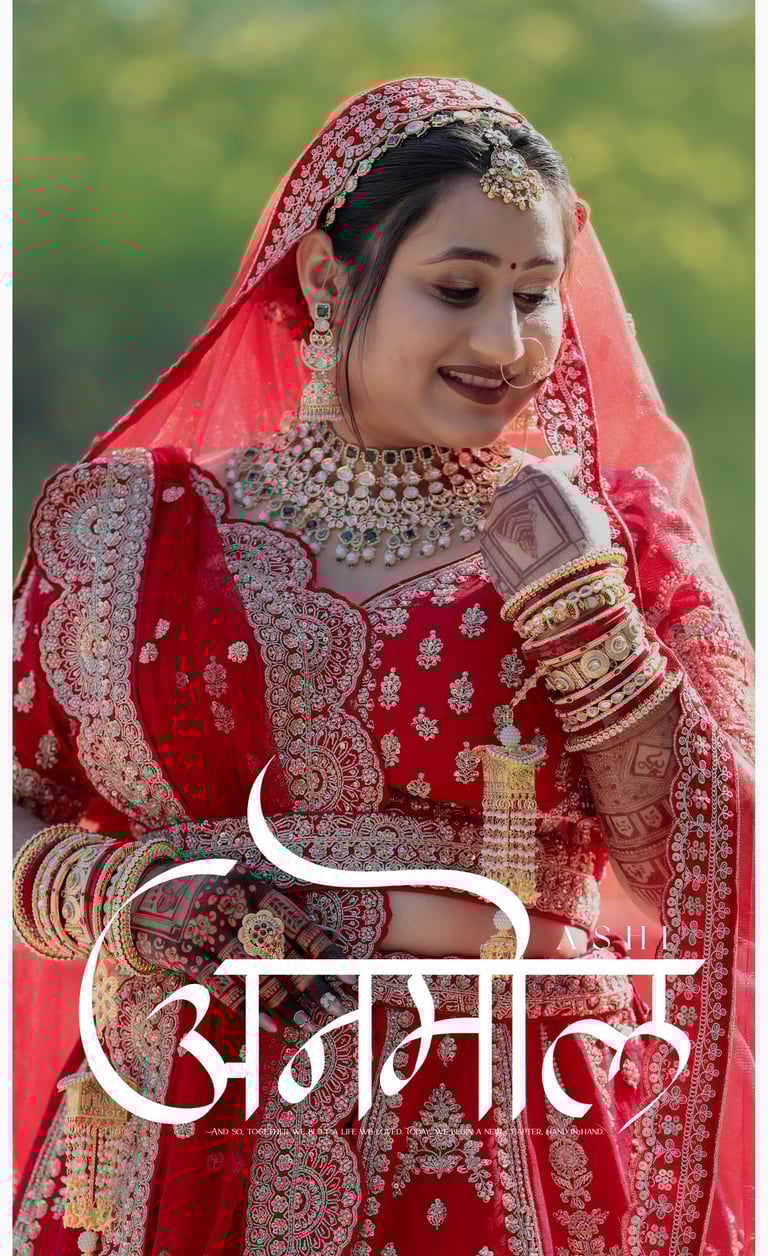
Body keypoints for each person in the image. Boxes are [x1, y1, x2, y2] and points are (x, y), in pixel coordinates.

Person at [12, 76, 754, 1256]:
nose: (504, 344)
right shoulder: (133, 537)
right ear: (326, 281)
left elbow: (720, 874)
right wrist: (145, 899)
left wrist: (580, 613)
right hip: (187, 1124)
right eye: (457, 290)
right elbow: (22, 808)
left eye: (535, 295)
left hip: (515, 1141)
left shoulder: (608, 537)